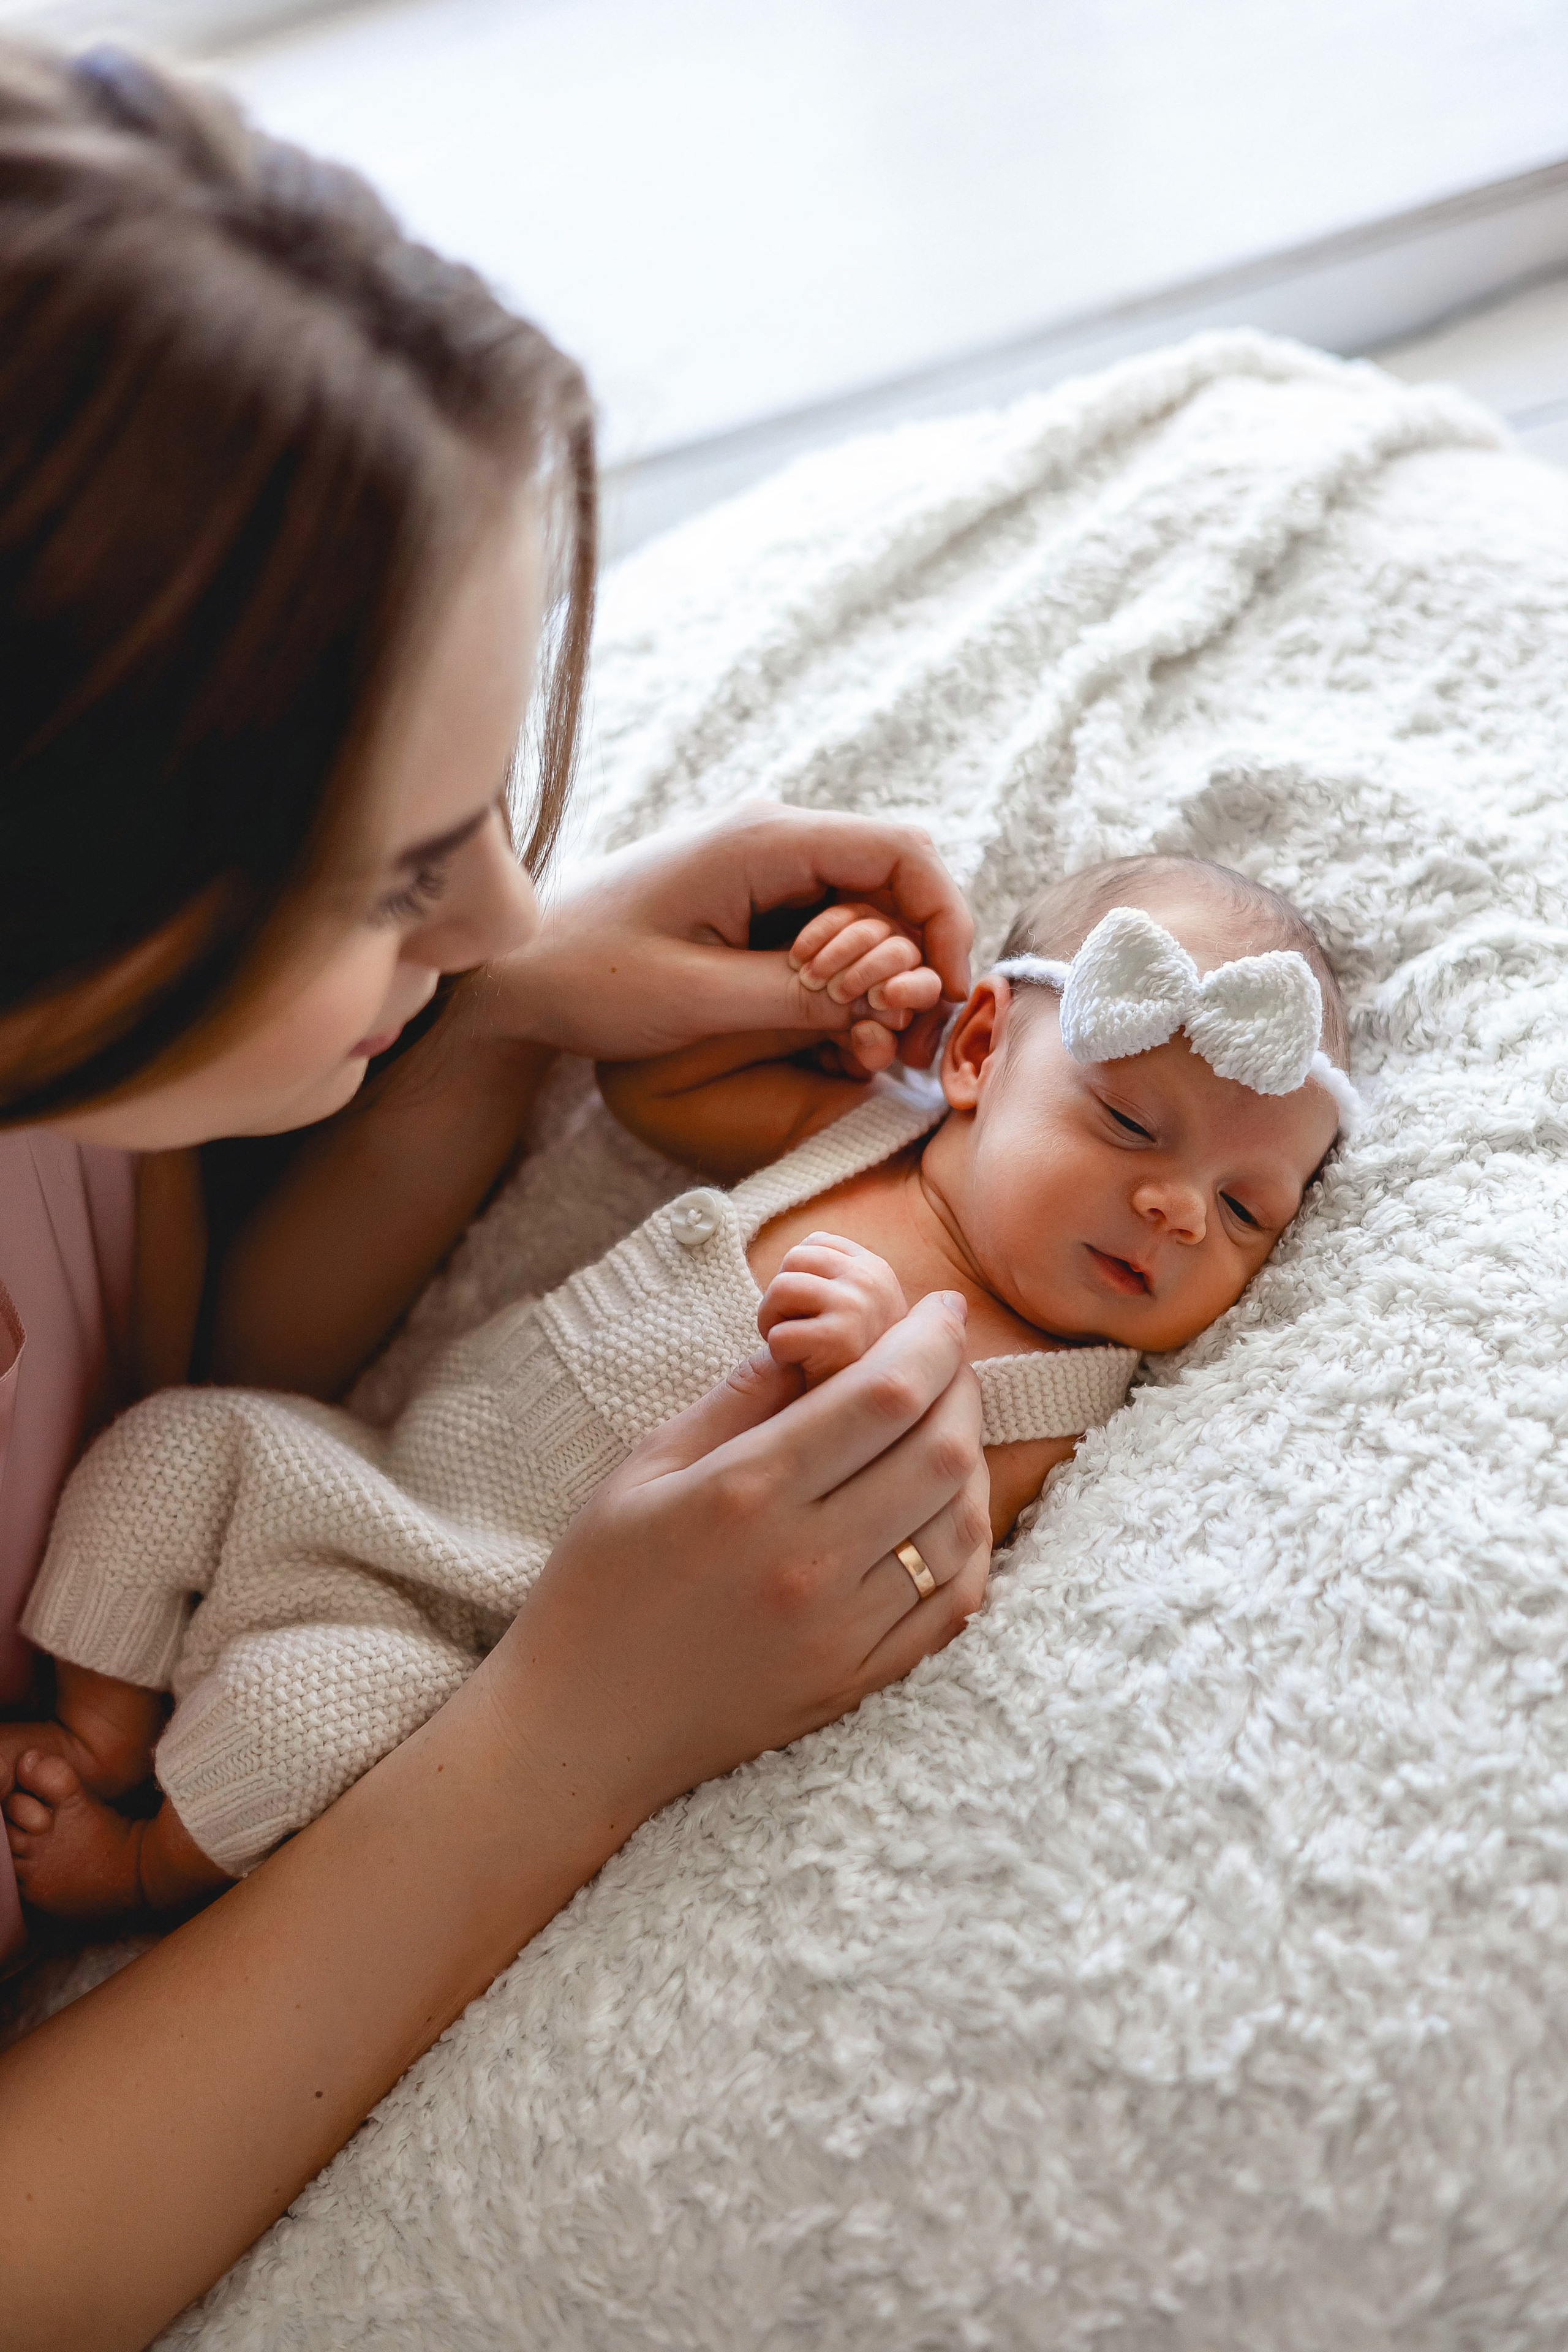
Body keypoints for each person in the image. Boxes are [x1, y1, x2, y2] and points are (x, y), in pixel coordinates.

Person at [0, 43, 993, 2352]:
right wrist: (564, 1738)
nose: (510, 901)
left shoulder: (78, 1111)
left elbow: (165, 1405)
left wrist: (490, 1025)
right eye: (404, 871)